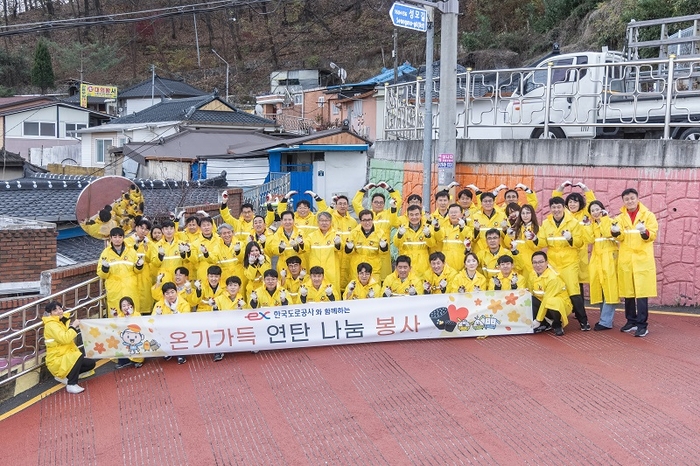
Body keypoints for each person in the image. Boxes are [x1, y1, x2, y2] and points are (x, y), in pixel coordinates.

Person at [611, 188, 658, 337]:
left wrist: (644, 231)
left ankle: (642, 324)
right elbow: (620, 237)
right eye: (627, 199)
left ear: (637, 198)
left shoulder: (648, 215)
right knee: (628, 292)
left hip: (642, 260)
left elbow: (653, 235)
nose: (630, 201)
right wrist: (615, 232)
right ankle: (631, 320)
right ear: (623, 201)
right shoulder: (620, 217)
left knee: (641, 293)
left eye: (632, 198)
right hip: (626, 259)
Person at [538, 197, 590, 331]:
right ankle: (557, 321)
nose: (556, 210)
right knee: (554, 292)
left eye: (558, 207)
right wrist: (533, 239)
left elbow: (580, 243)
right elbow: (542, 242)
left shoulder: (573, 223)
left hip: (569, 262)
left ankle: (583, 321)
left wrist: (571, 239)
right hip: (553, 265)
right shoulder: (546, 223)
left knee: (574, 291)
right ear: (550, 209)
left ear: (563, 207)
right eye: (553, 207)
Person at [43, 301, 96, 394]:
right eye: (55, 310)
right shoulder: (51, 325)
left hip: (65, 355)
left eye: (60, 308)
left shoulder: (60, 321)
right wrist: (74, 326)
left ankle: (65, 376)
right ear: (50, 313)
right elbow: (65, 338)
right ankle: (71, 384)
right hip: (57, 359)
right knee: (77, 356)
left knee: (90, 364)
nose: (59, 311)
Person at [583, 201, 620, 330]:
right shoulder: (592, 225)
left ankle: (605, 321)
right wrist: (587, 226)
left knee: (610, 288)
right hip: (597, 257)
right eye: (592, 211)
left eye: (597, 209)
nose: (595, 212)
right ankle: (605, 319)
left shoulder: (610, 221)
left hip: (609, 257)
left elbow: (607, 233)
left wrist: (604, 219)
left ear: (602, 210)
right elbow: (589, 240)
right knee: (600, 288)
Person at [98, 227, 144, 317]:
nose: (117, 239)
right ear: (111, 238)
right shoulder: (106, 253)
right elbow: (101, 274)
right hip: (114, 288)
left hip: (130, 287)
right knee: (115, 315)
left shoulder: (131, 252)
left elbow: (137, 271)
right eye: (114, 237)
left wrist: (139, 266)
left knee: (132, 313)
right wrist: (105, 268)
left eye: (120, 237)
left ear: (123, 238)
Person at [530, 252, 571, 336]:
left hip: (559, 306)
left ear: (547, 262)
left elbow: (546, 299)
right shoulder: (532, 274)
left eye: (541, 262)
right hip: (543, 303)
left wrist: (538, 319)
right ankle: (545, 324)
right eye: (535, 262)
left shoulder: (553, 278)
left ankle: (557, 324)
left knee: (552, 301)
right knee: (528, 298)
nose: (538, 265)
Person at [345, 210, 390, 283]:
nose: (367, 222)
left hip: (373, 267)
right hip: (357, 267)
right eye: (364, 220)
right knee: (356, 290)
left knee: (374, 290)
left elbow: (384, 253)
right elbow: (348, 253)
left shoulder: (380, 233)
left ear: (372, 220)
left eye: (369, 220)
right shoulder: (354, 233)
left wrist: (383, 247)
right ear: (360, 221)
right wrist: (349, 248)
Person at [394, 205, 440, 275]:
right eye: (411, 215)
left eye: (416, 214)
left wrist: (428, 235)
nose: (414, 217)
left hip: (423, 266)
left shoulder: (427, 227)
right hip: (406, 265)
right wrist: (400, 235)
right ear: (408, 216)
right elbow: (396, 244)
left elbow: (432, 244)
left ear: (421, 215)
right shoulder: (403, 228)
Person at [153, 282, 191, 364]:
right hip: (165, 330)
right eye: (167, 293)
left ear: (176, 292)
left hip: (180, 329)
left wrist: (176, 312)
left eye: (172, 292)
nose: (170, 295)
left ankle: (181, 353)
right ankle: (167, 350)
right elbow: (152, 322)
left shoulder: (184, 303)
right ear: (163, 295)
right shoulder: (159, 305)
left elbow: (186, 320)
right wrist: (157, 315)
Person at [211, 276, 247, 361]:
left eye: (235, 285)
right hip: (222, 325)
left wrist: (241, 309)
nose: (233, 288)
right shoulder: (219, 299)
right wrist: (215, 307)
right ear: (226, 287)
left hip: (237, 325)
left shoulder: (242, 300)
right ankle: (218, 351)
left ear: (239, 287)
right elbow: (213, 314)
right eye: (230, 285)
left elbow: (245, 316)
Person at [306, 211, 343, 290]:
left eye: (326, 221)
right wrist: (299, 243)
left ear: (330, 222)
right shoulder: (311, 236)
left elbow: (340, 248)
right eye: (322, 221)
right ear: (318, 222)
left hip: (331, 271)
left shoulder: (336, 235)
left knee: (333, 292)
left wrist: (338, 243)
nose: (324, 223)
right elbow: (304, 247)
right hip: (316, 272)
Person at [125, 217, 154, 313]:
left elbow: (152, 259)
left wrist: (146, 247)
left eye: (146, 229)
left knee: (145, 304)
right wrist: (136, 246)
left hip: (145, 275)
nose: (143, 231)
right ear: (136, 228)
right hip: (131, 274)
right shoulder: (127, 241)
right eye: (141, 228)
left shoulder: (149, 243)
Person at [149, 219, 190, 284]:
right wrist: (160, 256)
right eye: (166, 229)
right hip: (164, 277)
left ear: (174, 230)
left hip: (178, 277)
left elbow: (188, 260)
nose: (169, 231)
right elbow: (155, 263)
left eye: (171, 228)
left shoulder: (182, 244)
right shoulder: (157, 246)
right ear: (162, 230)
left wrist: (183, 254)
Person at [114, 297, 145, 369]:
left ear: (132, 306)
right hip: (125, 339)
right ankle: (124, 361)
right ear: (121, 308)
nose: (126, 307)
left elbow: (139, 328)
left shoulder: (137, 314)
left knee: (136, 348)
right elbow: (116, 327)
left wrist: (131, 317)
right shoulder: (120, 316)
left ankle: (138, 360)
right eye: (123, 306)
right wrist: (114, 317)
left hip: (135, 339)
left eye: (128, 305)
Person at [439, 204, 472, 271]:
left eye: (456, 212)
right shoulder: (444, 229)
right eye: (451, 212)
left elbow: (467, 240)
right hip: (446, 266)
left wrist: (462, 228)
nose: (453, 214)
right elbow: (438, 238)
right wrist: (436, 229)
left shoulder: (467, 229)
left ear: (462, 214)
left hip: (461, 266)